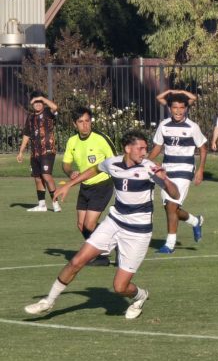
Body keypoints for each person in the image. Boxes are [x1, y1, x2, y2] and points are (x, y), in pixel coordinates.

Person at [24, 130, 180, 319]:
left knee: (120, 287)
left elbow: (175, 194)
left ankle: (140, 295)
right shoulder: (112, 163)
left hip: (138, 233)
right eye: (140, 148)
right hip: (114, 222)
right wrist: (68, 185)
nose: (144, 152)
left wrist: (165, 179)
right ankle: (48, 301)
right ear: (127, 148)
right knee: (76, 261)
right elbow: (95, 169)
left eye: (145, 148)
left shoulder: (150, 168)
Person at [149, 91, 207, 254]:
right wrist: (145, 161)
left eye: (182, 108)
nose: (179, 111)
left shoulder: (192, 127)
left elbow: (203, 148)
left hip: (185, 169)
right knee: (170, 208)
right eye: (175, 108)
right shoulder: (164, 125)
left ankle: (170, 244)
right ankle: (195, 221)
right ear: (169, 108)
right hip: (166, 170)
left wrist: (200, 170)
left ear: (186, 109)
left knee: (171, 206)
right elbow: (157, 147)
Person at [62, 107, 117, 266]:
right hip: (84, 186)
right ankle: (102, 254)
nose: (85, 125)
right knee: (81, 225)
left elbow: (114, 162)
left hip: (102, 184)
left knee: (89, 225)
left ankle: (111, 245)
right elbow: (65, 164)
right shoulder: (72, 141)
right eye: (81, 122)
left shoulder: (101, 138)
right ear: (74, 124)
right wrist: (70, 172)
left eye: (87, 121)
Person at [17, 91, 61, 212]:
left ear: (43, 103)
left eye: (39, 102)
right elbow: (26, 134)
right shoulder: (30, 117)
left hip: (47, 151)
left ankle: (55, 203)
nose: (37, 104)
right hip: (35, 153)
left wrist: (42, 97)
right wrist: (21, 151)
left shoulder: (48, 112)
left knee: (46, 176)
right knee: (37, 177)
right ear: (32, 104)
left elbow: (56, 107)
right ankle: (41, 205)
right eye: (35, 102)